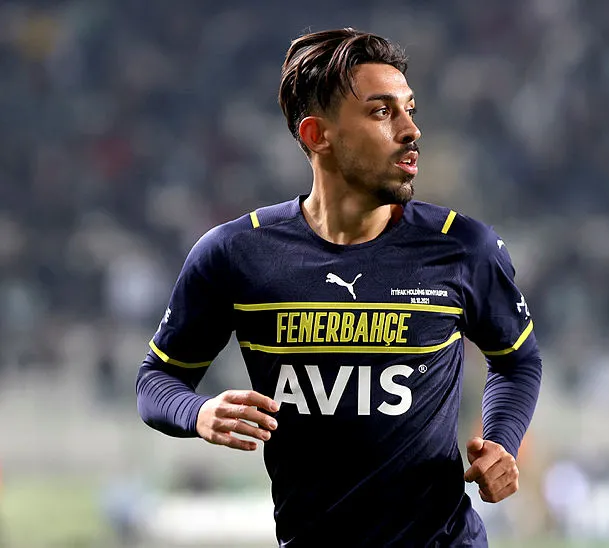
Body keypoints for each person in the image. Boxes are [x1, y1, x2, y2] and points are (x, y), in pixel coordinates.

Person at [136, 28, 542, 547]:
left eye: (410, 109)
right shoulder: (235, 253)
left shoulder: (463, 247)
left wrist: (502, 441)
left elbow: (517, 360)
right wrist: (199, 413)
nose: (411, 130)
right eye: (382, 112)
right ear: (317, 135)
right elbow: (156, 380)